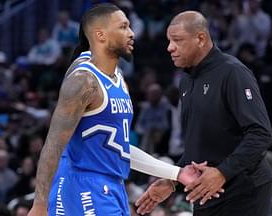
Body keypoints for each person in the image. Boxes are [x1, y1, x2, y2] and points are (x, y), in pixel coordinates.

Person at [27, 4, 199, 216]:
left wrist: (177, 173)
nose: (131, 33)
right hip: (83, 187)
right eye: (123, 27)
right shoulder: (84, 81)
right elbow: (53, 144)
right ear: (100, 35)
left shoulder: (117, 79)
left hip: (111, 186)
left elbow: (119, 148)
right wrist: (39, 205)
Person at [136, 10, 272, 216]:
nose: (169, 47)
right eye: (169, 40)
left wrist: (222, 173)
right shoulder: (186, 80)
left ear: (200, 38)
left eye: (177, 40)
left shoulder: (233, 72)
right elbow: (198, 145)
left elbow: (260, 134)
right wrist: (174, 180)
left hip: (244, 190)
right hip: (205, 189)